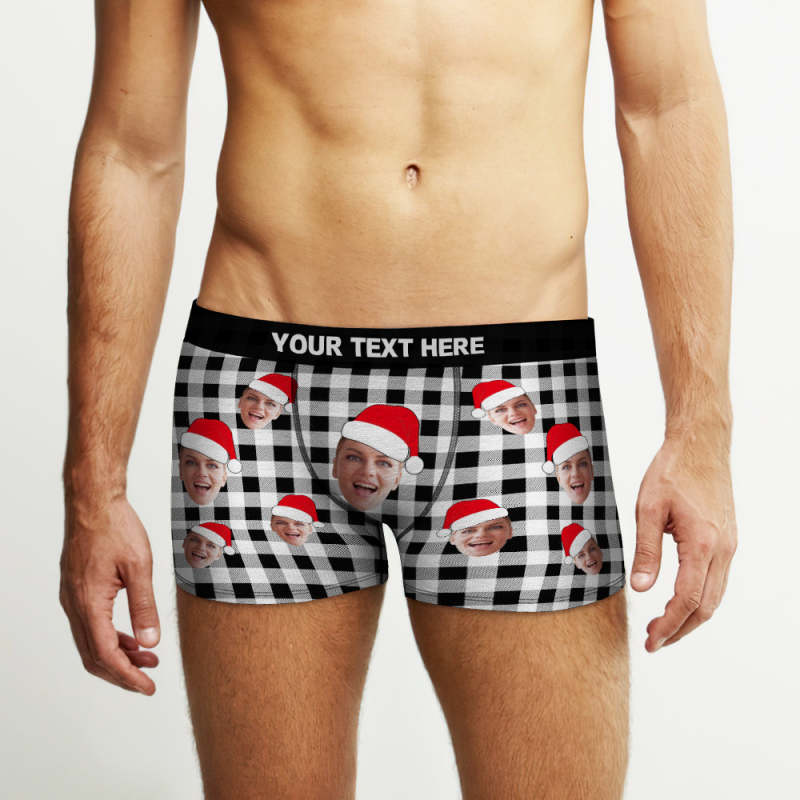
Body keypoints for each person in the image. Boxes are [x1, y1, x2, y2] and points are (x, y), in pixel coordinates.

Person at [58, 1, 738, 798]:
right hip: (261, 390)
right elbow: (131, 150)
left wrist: (702, 432)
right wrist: (93, 489)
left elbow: (667, 105)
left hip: (517, 390)